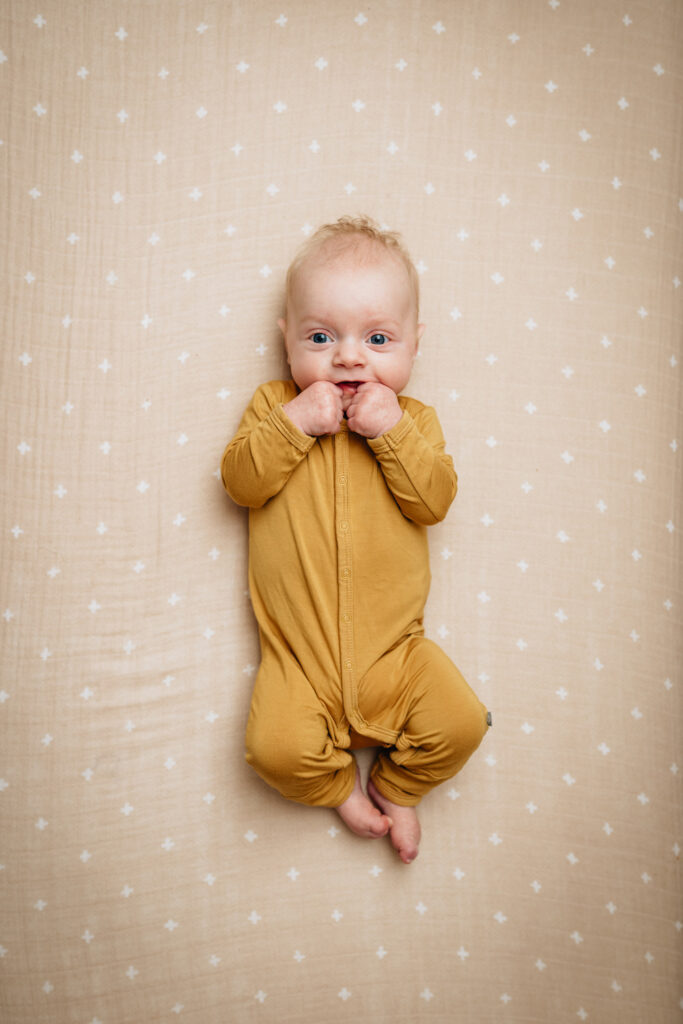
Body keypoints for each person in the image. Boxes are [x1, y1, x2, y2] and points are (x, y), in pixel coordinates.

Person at [221, 215, 489, 863]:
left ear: (413, 345)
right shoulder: (272, 405)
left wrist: (390, 432)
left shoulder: (416, 421)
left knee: (459, 724)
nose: (347, 356)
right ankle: (342, 789)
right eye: (320, 336)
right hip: (299, 660)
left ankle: (398, 788)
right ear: (286, 339)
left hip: (396, 655)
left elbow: (434, 501)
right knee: (273, 750)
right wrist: (293, 425)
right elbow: (240, 483)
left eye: (376, 338)